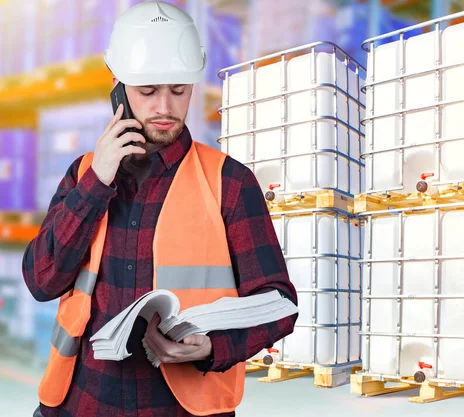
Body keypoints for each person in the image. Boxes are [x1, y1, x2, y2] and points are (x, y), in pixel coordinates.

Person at [22, 2, 298, 416]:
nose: (165, 108)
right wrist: (97, 183)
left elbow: (278, 303)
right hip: (81, 403)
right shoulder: (84, 175)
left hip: (182, 407)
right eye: (148, 91)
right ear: (118, 87)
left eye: (179, 90)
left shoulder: (231, 183)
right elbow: (42, 281)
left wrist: (212, 347)